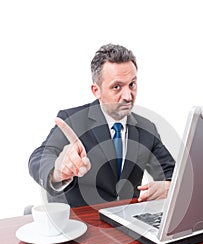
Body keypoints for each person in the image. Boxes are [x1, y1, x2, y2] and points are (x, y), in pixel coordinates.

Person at [29, 43, 175, 207]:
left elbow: (172, 172)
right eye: (117, 87)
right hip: (83, 222)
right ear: (96, 90)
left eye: (132, 84)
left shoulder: (147, 128)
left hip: (129, 222)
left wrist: (169, 187)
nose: (128, 96)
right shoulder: (72, 120)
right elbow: (39, 157)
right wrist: (57, 171)